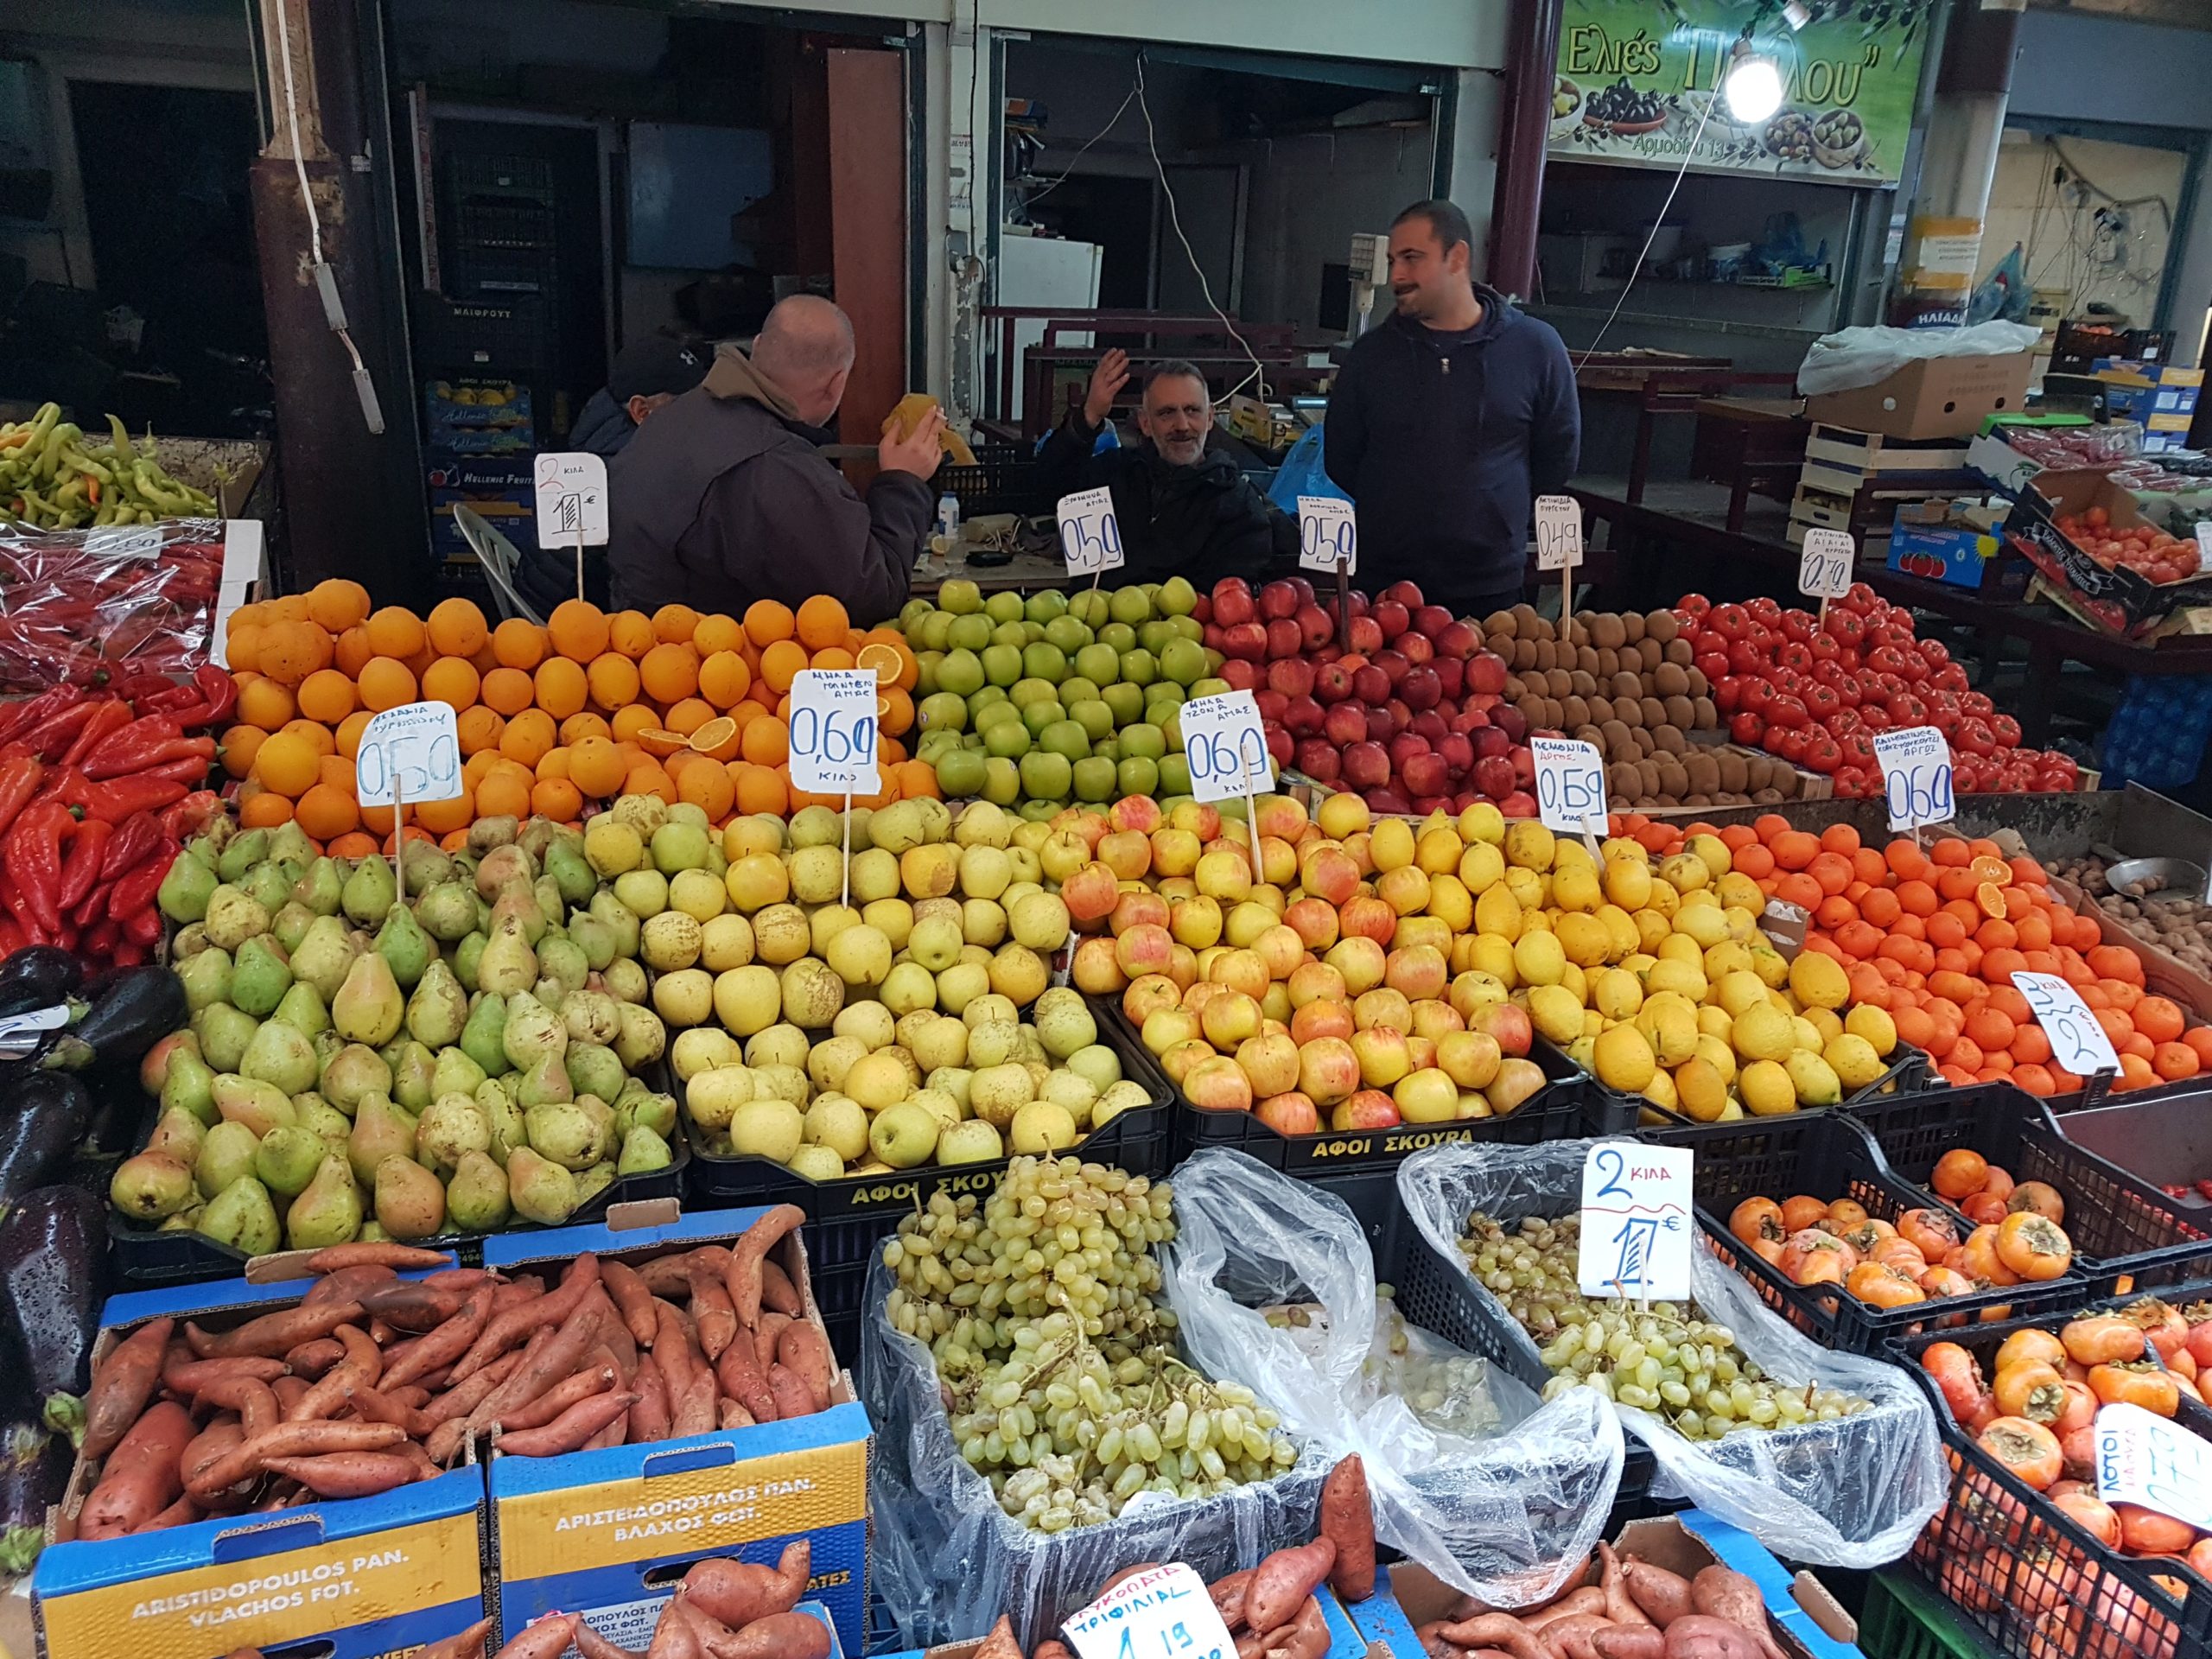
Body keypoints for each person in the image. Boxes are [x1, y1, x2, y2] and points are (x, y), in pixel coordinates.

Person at [607, 295, 944, 622]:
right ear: (836, 382)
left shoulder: (671, 419)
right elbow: (872, 595)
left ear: (757, 346)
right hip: (711, 655)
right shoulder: (771, 465)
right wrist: (904, 481)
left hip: (640, 639)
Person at [1324, 198, 1579, 620]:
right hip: (1385, 589)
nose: (1396, 275)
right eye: (1392, 260)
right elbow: (1341, 457)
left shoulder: (1536, 348)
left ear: (1457, 257)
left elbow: (1558, 455)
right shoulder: (1370, 356)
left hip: (1491, 588)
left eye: (1411, 258)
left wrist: (1492, 513)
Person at [1034, 353, 1293, 588]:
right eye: (1167, 413)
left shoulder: (1238, 504)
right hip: (1094, 621)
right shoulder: (1114, 474)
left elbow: (1229, 598)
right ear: (1145, 423)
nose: (1182, 425)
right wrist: (1089, 416)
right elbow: (1049, 487)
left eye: (1192, 410)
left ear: (1209, 418)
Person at [516, 335, 709, 615]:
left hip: (543, 598)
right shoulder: (629, 468)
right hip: (571, 619)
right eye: (687, 404)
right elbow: (644, 579)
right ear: (641, 411)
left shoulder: (602, 439)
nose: (702, 413)